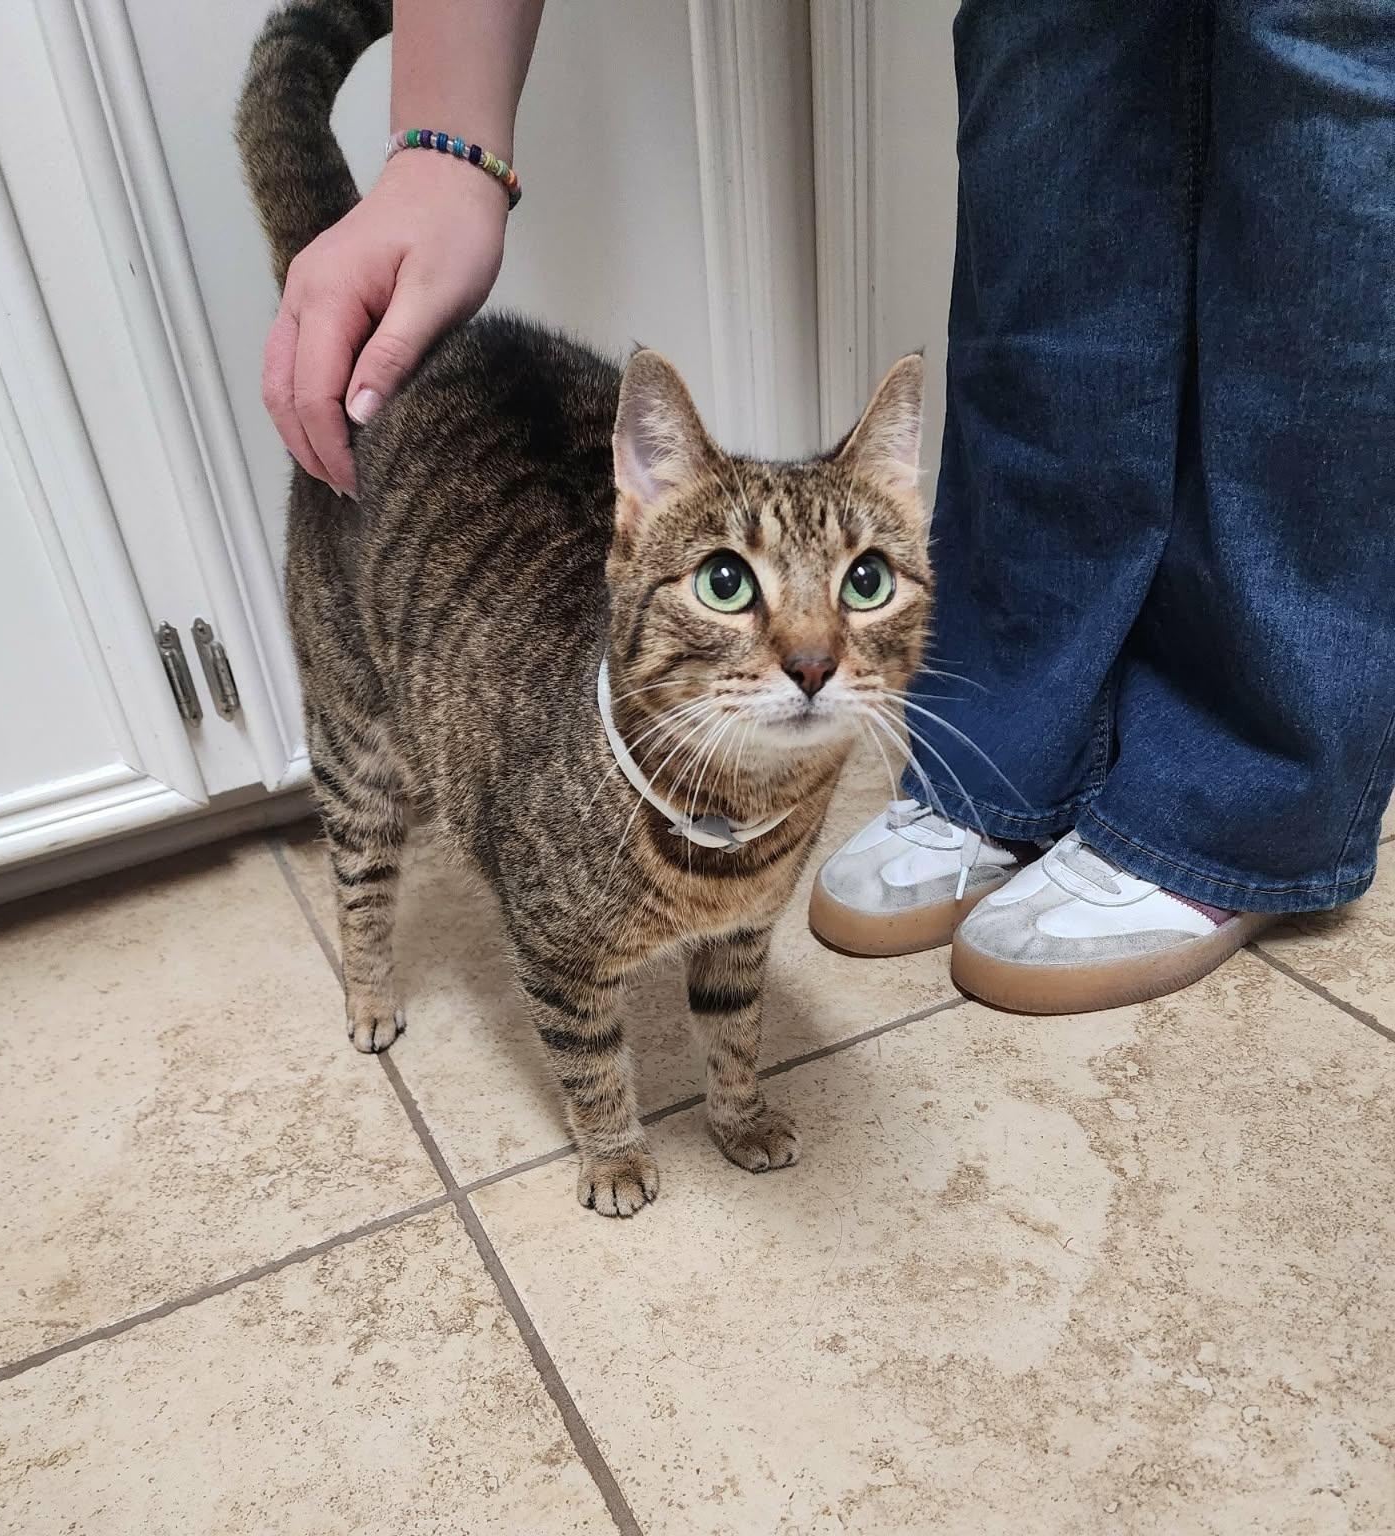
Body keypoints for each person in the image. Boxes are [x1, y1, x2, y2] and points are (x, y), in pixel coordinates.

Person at [266, 0, 1395, 1015]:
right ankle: (1009, 766)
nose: (807, 651)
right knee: (1054, 77)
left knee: (1326, 65)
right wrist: (446, 146)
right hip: (432, 560)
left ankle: (1239, 800)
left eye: (857, 585)